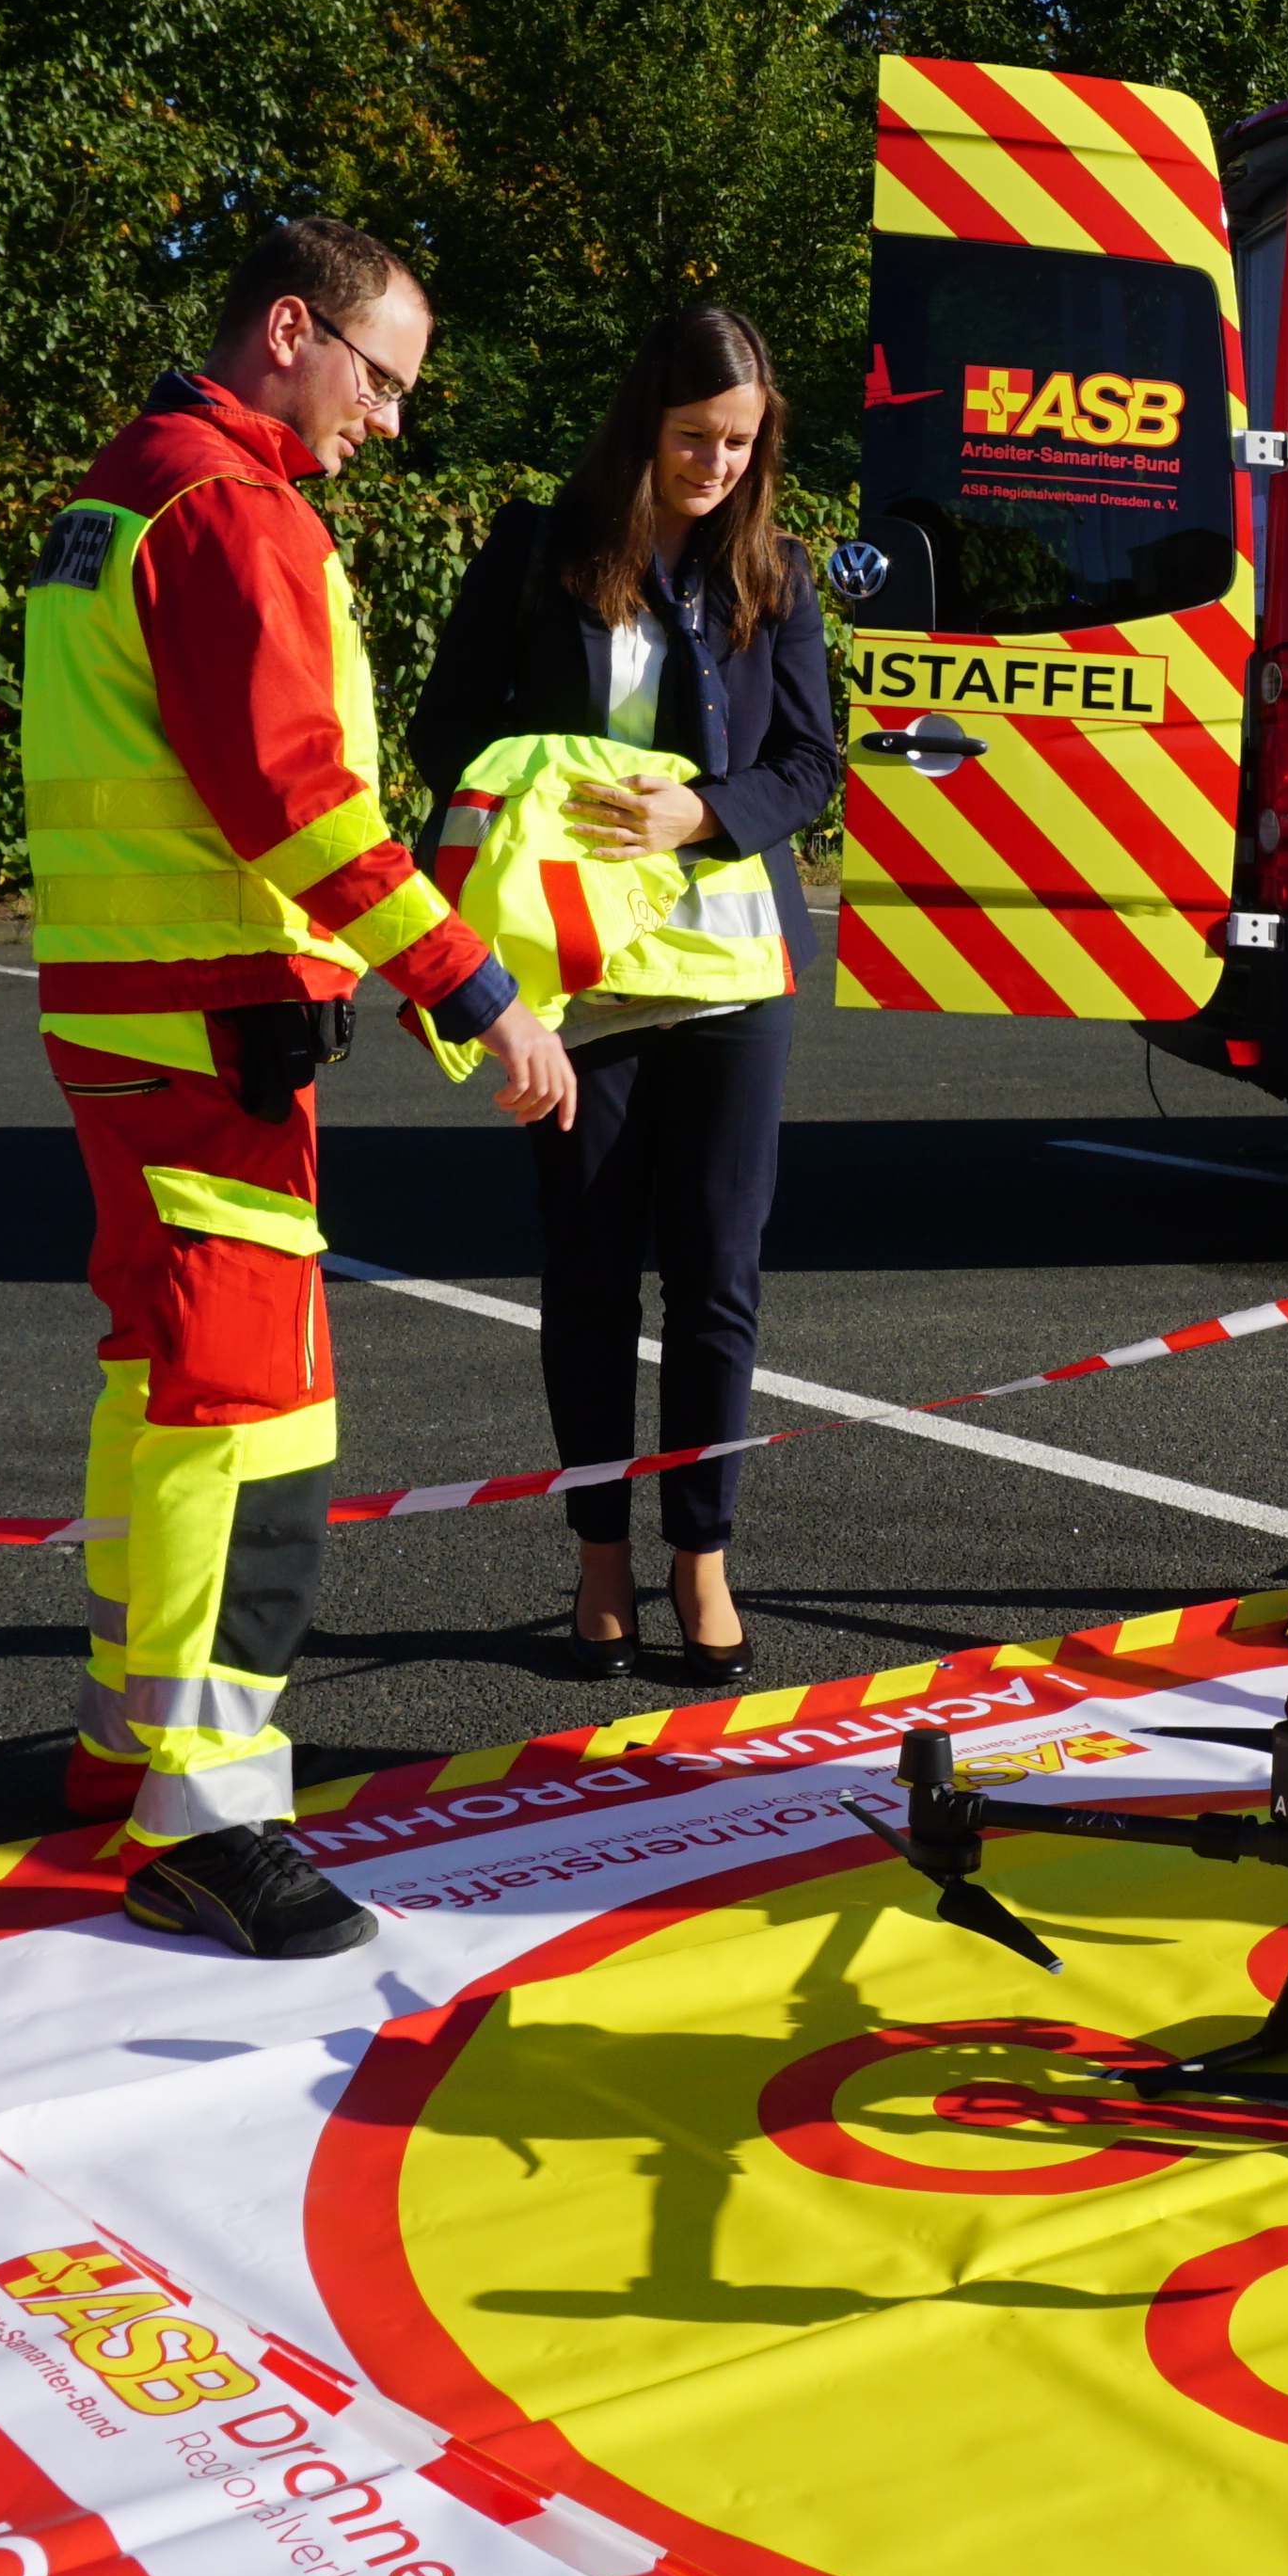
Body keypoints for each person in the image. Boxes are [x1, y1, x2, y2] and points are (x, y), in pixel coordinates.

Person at [24, 217, 572, 1953]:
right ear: (291, 331)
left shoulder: (132, 485)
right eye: (382, 379)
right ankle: (205, 1810)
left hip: (139, 1007)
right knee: (251, 1413)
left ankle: (129, 1743)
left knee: (158, 1374)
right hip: (210, 1021)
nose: (388, 423)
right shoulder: (231, 509)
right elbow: (302, 800)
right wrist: (475, 987)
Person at [405, 307, 842, 1688]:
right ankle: (600, 1562)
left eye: (739, 441)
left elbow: (814, 765)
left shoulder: (775, 572)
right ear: (641, 425)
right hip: (578, 975)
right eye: (692, 438)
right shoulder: (540, 549)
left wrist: (702, 813)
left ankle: (700, 1558)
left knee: (716, 1277)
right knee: (590, 1275)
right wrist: (565, 782)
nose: (716, 463)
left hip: (725, 971)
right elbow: (442, 734)